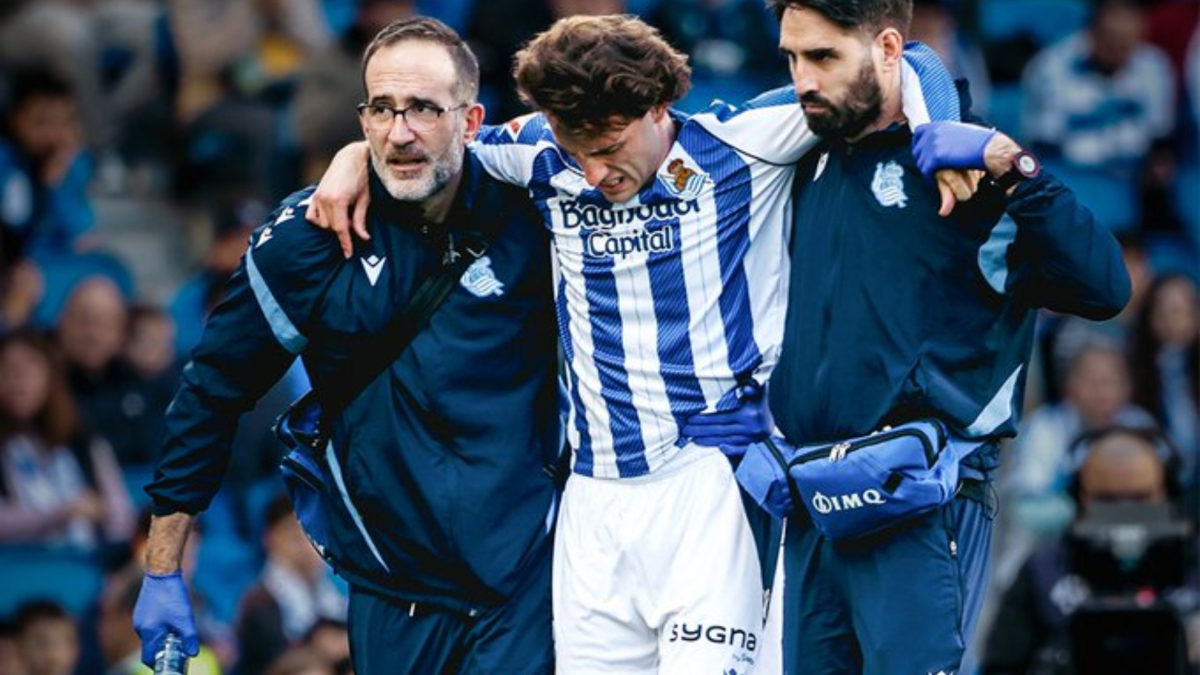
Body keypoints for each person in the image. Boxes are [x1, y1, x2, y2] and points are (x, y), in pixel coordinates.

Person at [310, 13, 972, 674]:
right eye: (579, 149)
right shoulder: (540, 152)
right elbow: (429, 145)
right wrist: (350, 161)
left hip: (711, 488)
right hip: (593, 506)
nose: (596, 172)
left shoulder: (744, 145)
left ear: (660, 107)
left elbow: (907, 61)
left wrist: (941, 134)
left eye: (612, 144)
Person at [133, 17, 562, 675]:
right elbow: (210, 394)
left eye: (423, 108)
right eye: (383, 110)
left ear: (471, 120)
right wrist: (162, 569)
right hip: (395, 593)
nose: (400, 132)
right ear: (362, 119)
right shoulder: (305, 241)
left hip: (528, 581)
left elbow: (637, 146)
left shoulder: (535, 207)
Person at [761, 2, 1132, 675]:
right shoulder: (802, 154)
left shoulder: (968, 166)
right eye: (791, 57)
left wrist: (1013, 166)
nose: (802, 80)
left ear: (888, 48)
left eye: (822, 57)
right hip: (816, 498)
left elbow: (1105, 288)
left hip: (922, 496)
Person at [980, 425, 1188, 675]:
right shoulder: (1043, 571)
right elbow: (1000, 667)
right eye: (1106, 501)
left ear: (1167, 493)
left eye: (1139, 499)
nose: (1123, 515)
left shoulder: (1193, 569)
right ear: (1078, 496)